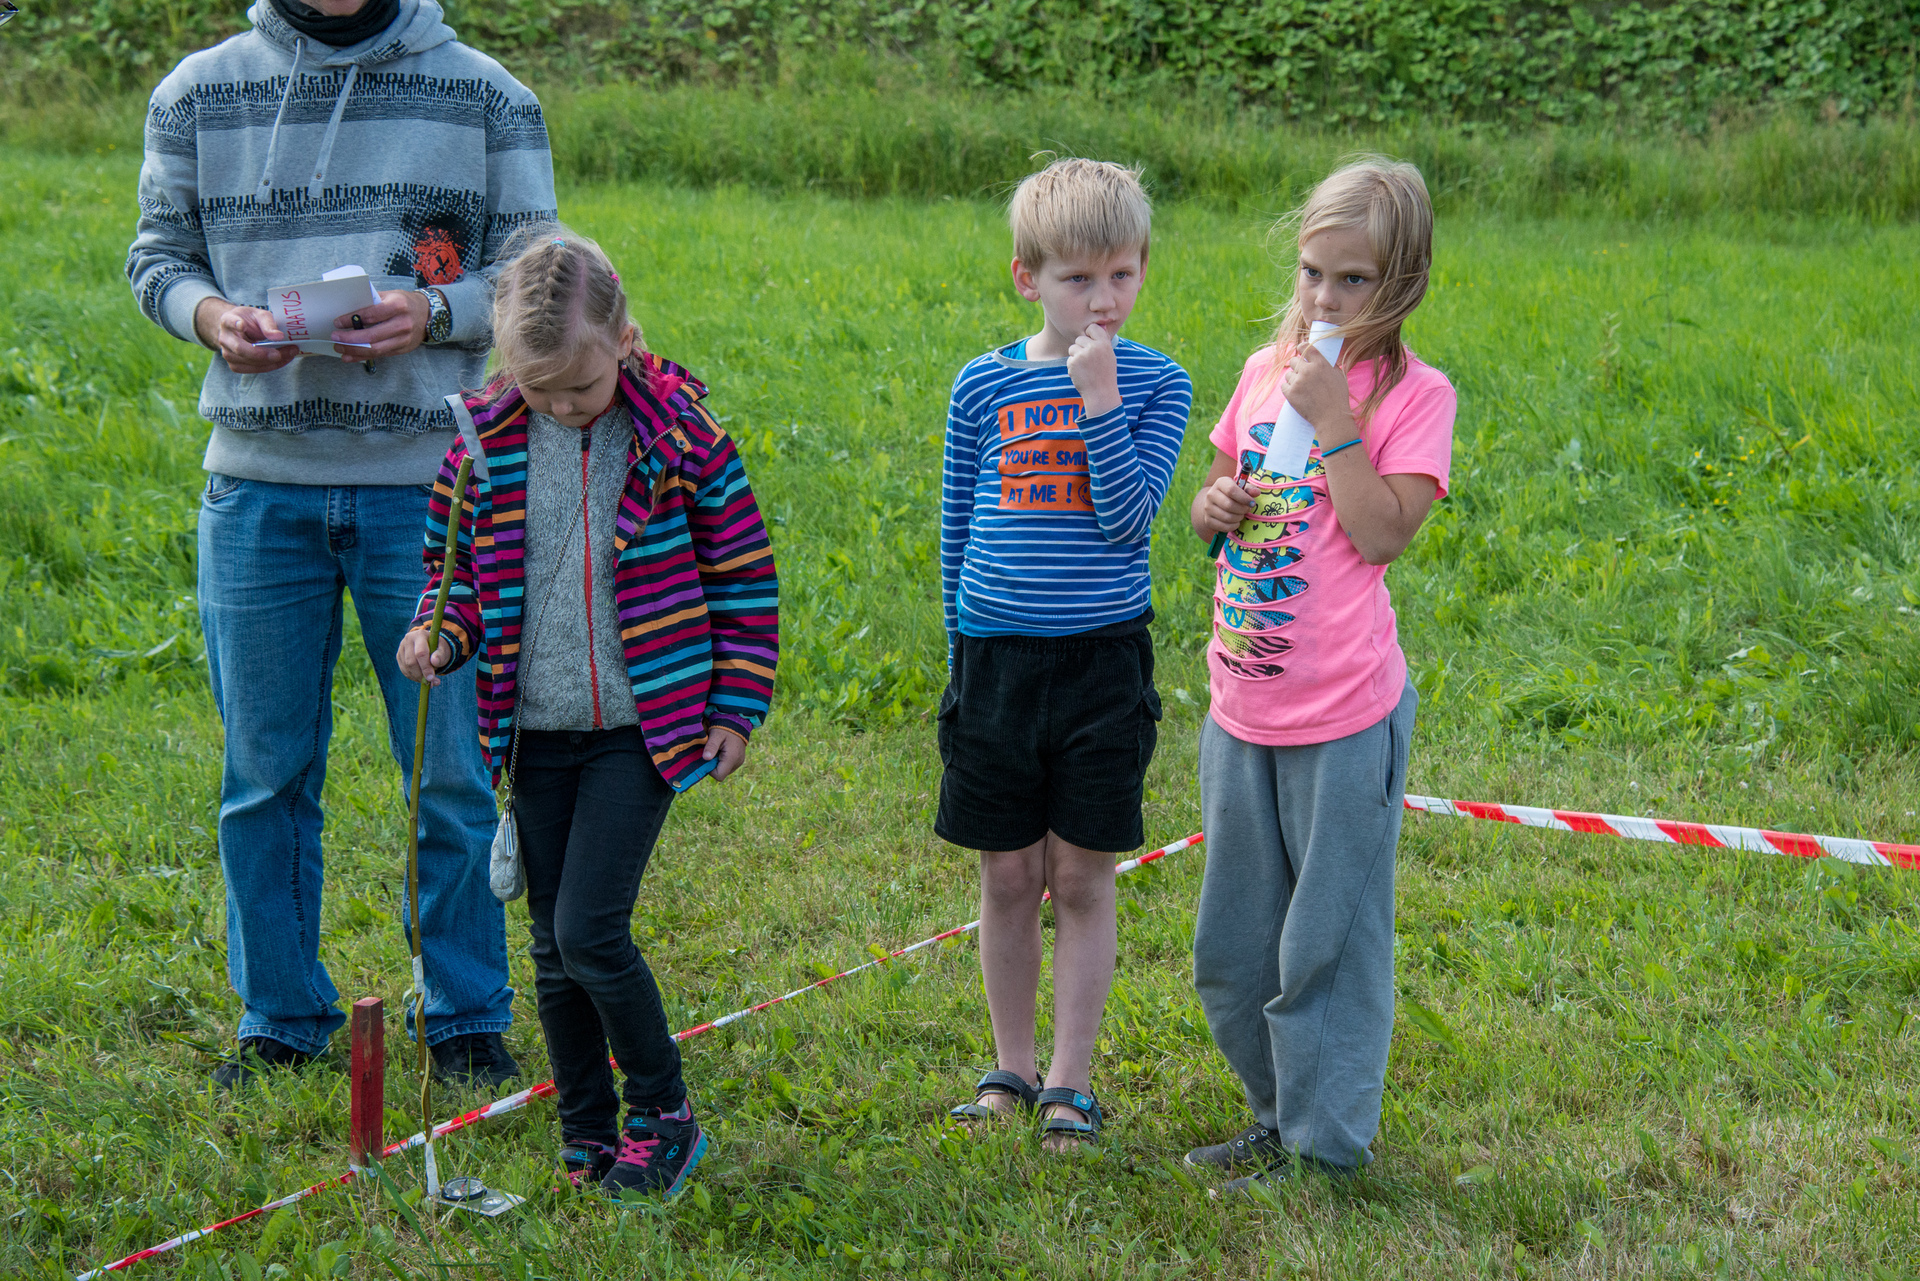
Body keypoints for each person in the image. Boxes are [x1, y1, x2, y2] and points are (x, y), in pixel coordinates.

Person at [124, 0, 558, 1088]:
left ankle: (465, 1013)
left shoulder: (489, 96)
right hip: (257, 490)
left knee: (450, 771)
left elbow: (534, 276)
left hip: (433, 492)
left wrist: (435, 311)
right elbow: (158, 258)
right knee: (263, 773)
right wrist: (213, 319)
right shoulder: (197, 91)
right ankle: (279, 1014)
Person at [398, 225, 778, 1199]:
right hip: (533, 732)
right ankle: (588, 1130)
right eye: (541, 391)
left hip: (643, 732)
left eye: (581, 386)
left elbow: (743, 575)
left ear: (624, 339)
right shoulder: (481, 447)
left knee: (590, 932)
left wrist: (736, 702)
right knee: (551, 946)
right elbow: (453, 573)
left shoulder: (682, 438)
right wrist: (440, 634)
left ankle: (666, 1113)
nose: (564, 406)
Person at [1184, 157, 1456, 1192]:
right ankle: (1277, 1115)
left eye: (1354, 280)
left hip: (1344, 717)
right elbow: (1220, 490)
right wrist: (1213, 506)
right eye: (1313, 274)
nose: (1327, 299)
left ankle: (1325, 1149)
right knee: (1235, 945)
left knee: (1326, 949)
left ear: (1403, 284)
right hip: (1242, 703)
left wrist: (1339, 419)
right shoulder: (1266, 369)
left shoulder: (1417, 396)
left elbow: (1382, 534)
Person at [936, 159, 1192, 1152]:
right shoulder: (983, 384)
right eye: (1078, 279)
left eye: (1122, 275)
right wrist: (961, 652)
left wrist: (1099, 400)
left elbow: (1129, 521)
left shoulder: (1155, 383)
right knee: (1008, 874)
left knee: (1082, 875)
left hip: (1100, 665)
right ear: (1027, 278)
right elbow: (958, 528)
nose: (1103, 299)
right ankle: (1010, 1067)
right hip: (996, 661)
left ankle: (1071, 1083)